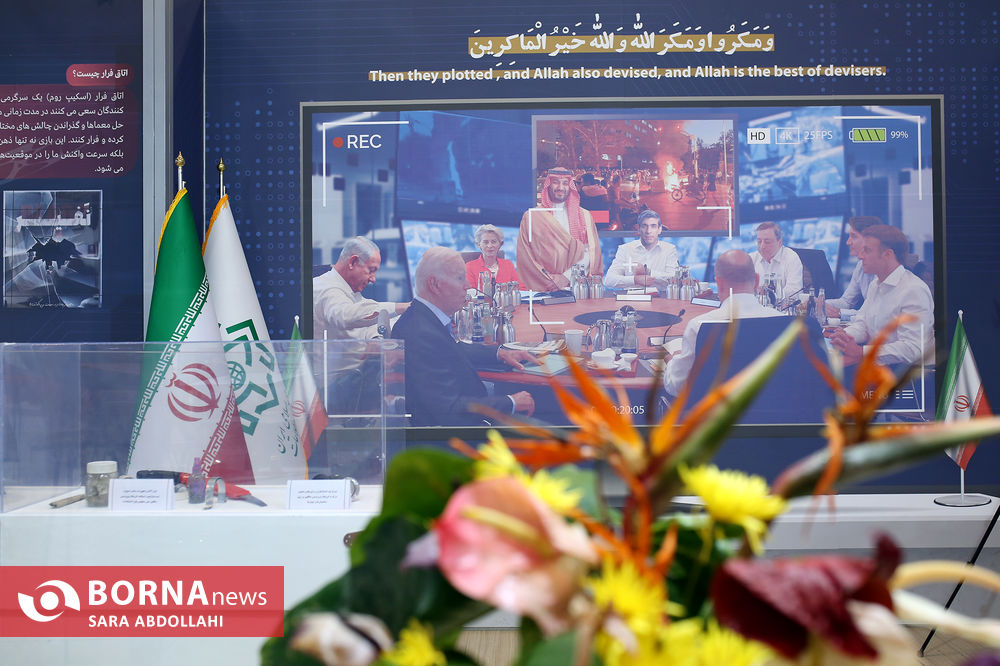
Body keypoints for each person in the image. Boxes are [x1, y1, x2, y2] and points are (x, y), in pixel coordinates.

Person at [391, 247, 536, 426]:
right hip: (464, 432)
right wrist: (511, 402)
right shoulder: (420, 333)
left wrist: (499, 353)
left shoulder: (423, 318)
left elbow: (449, 350)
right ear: (435, 284)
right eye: (460, 278)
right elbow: (448, 410)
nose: (468, 285)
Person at [663, 250, 781, 398]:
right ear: (757, 281)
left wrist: (672, 363)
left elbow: (677, 386)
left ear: (719, 283)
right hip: (775, 411)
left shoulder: (700, 326)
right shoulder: (785, 322)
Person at [829, 225, 934, 368]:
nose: (860, 256)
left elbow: (912, 349)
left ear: (888, 255)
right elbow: (862, 325)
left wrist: (861, 352)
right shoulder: (875, 284)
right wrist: (844, 337)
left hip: (909, 374)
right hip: (880, 367)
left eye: (867, 250)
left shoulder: (913, 290)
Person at [516, 166, 603, 291]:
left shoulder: (585, 216)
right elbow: (526, 255)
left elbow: (590, 252)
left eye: (565, 183)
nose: (560, 187)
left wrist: (566, 277)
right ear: (548, 185)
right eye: (555, 182)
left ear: (570, 186)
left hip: (576, 287)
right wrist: (549, 280)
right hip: (543, 288)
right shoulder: (532, 216)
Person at [312, 236, 408, 339]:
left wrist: (375, 337)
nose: (373, 279)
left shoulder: (348, 290)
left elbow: (366, 319)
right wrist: (402, 308)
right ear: (353, 262)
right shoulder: (327, 288)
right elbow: (347, 316)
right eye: (371, 270)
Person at [603, 209, 679, 289]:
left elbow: (674, 278)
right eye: (644, 226)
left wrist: (648, 272)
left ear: (659, 230)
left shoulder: (669, 249)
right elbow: (609, 280)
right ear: (638, 229)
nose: (648, 231)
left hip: (660, 296)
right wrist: (635, 280)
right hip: (631, 296)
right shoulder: (625, 249)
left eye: (653, 226)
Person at [826, 216, 879, 320]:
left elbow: (873, 314)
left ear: (869, 240)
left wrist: (840, 313)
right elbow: (847, 302)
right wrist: (819, 303)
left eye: (853, 236)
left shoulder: (883, 270)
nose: (848, 242)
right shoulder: (860, 265)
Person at [749, 221, 803, 301]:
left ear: (780, 242)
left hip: (782, 307)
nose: (762, 246)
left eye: (767, 242)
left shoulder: (791, 258)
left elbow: (794, 292)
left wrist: (768, 295)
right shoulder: (751, 259)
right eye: (759, 241)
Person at [464, 224, 526, 291]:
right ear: (478, 244)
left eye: (493, 242)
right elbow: (469, 293)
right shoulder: (469, 267)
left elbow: (521, 289)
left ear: (500, 244)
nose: (490, 246)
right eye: (485, 242)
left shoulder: (508, 265)